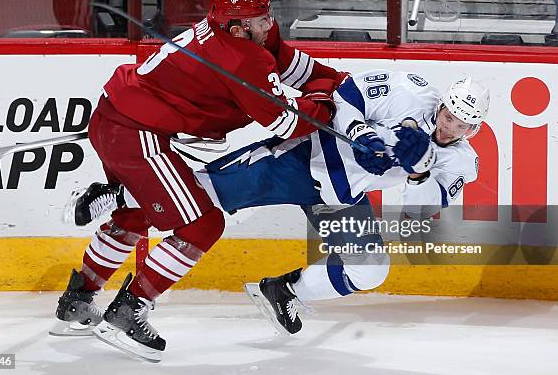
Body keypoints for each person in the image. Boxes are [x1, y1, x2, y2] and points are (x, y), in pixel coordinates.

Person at [49, 0, 345, 361]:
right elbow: (287, 124)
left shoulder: (240, 32)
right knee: (203, 224)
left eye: (268, 14)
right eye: (261, 19)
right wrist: (327, 105)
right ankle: (129, 310)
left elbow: (293, 66)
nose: (269, 23)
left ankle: (77, 303)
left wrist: (337, 83)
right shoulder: (242, 58)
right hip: (136, 133)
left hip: (118, 118)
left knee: (135, 216)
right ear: (237, 27)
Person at [193, 71, 490, 334]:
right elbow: (347, 95)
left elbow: (417, 212)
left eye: (462, 126)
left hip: (339, 198)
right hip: (302, 161)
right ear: (442, 106)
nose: (449, 129)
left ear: (473, 131)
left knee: (370, 269)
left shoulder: (460, 162)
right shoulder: (412, 92)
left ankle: (283, 290)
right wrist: (362, 134)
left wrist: (419, 173)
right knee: (197, 195)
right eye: (449, 117)